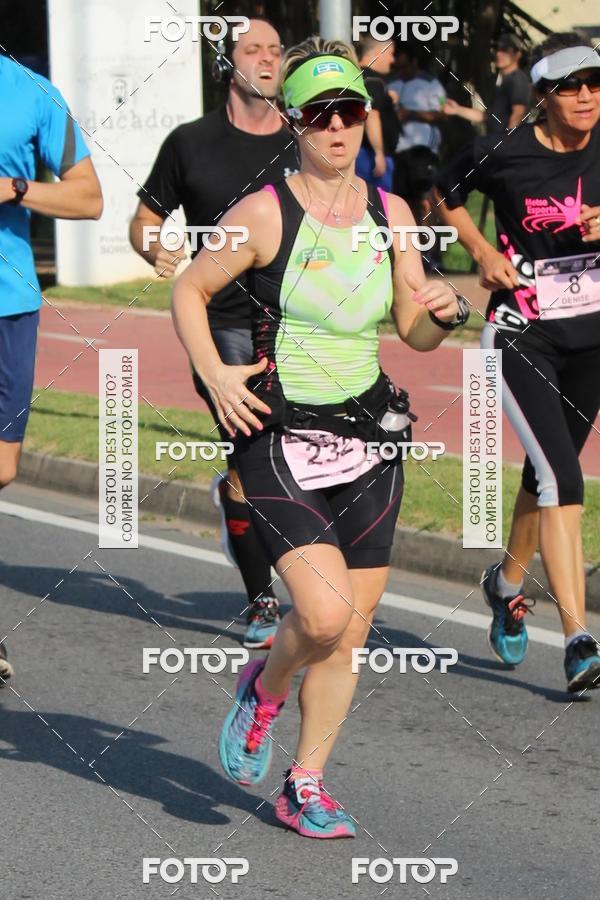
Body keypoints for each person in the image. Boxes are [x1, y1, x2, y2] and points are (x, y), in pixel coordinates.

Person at [172, 36, 465, 837]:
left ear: (364, 120)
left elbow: (410, 328)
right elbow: (190, 290)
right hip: (278, 433)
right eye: (321, 115)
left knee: (349, 636)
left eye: (351, 112)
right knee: (324, 614)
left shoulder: (393, 213)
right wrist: (218, 374)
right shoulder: (265, 212)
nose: (338, 128)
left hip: (369, 435)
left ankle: (305, 783)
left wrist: (442, 312)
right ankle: (262, 690)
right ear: (294, 122)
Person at [434, 32, 600, 692]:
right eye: (570, 85)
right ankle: (579, 638)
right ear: (542, 96)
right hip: (522, 333)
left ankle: (504, 585)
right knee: (565, 479)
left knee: (544, 475)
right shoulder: (504, 151)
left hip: (592, 339)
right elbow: (444, 194)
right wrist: (479, 250)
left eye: (594, 82)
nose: (586, 96)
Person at [130, 18, 299, 650]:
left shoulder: (306, 136)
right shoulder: (190, 143)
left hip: (301, 319)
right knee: (255, 446)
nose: (266, 59)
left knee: (299, 453)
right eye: (252, 49)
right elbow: (145, 218)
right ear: (228, 63)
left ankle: (241, 499)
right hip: (221, 321)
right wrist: (156, 249)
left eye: (275, 50)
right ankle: (262, 599)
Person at [0, 54, 102, 682]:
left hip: (8, 302)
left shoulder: (33, 92)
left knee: (4, 467)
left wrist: (13, 188)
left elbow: (89, 197)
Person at [388, 44, 447, 267]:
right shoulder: (393, 85)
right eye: (397, 67)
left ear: (414, 62)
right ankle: (412, 253)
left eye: (404, 66)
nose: (400, 71)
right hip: (399, 152)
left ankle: (433, 253)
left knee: (427, 201)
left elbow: (442, 114)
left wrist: (412, 114)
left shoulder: (431, 84)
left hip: (423, 151)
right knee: (405, 203)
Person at [443, 33, 531, 133]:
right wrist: (457, 109)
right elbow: (486, 117)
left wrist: (506, 142)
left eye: (505, 50)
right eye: (498, 49)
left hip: (505, 144)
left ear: (517, 55)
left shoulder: (517, 79)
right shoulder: (502, 81)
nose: (498, 54)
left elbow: (518, 113)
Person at [356, 34, 398, 190]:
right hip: (369, 156)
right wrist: (379, 154)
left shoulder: (357, 76)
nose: (392, 60)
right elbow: (371, 114)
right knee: (379, 206)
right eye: (390, 54)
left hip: (360, 153)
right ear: (378, 52)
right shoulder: (373, 81)